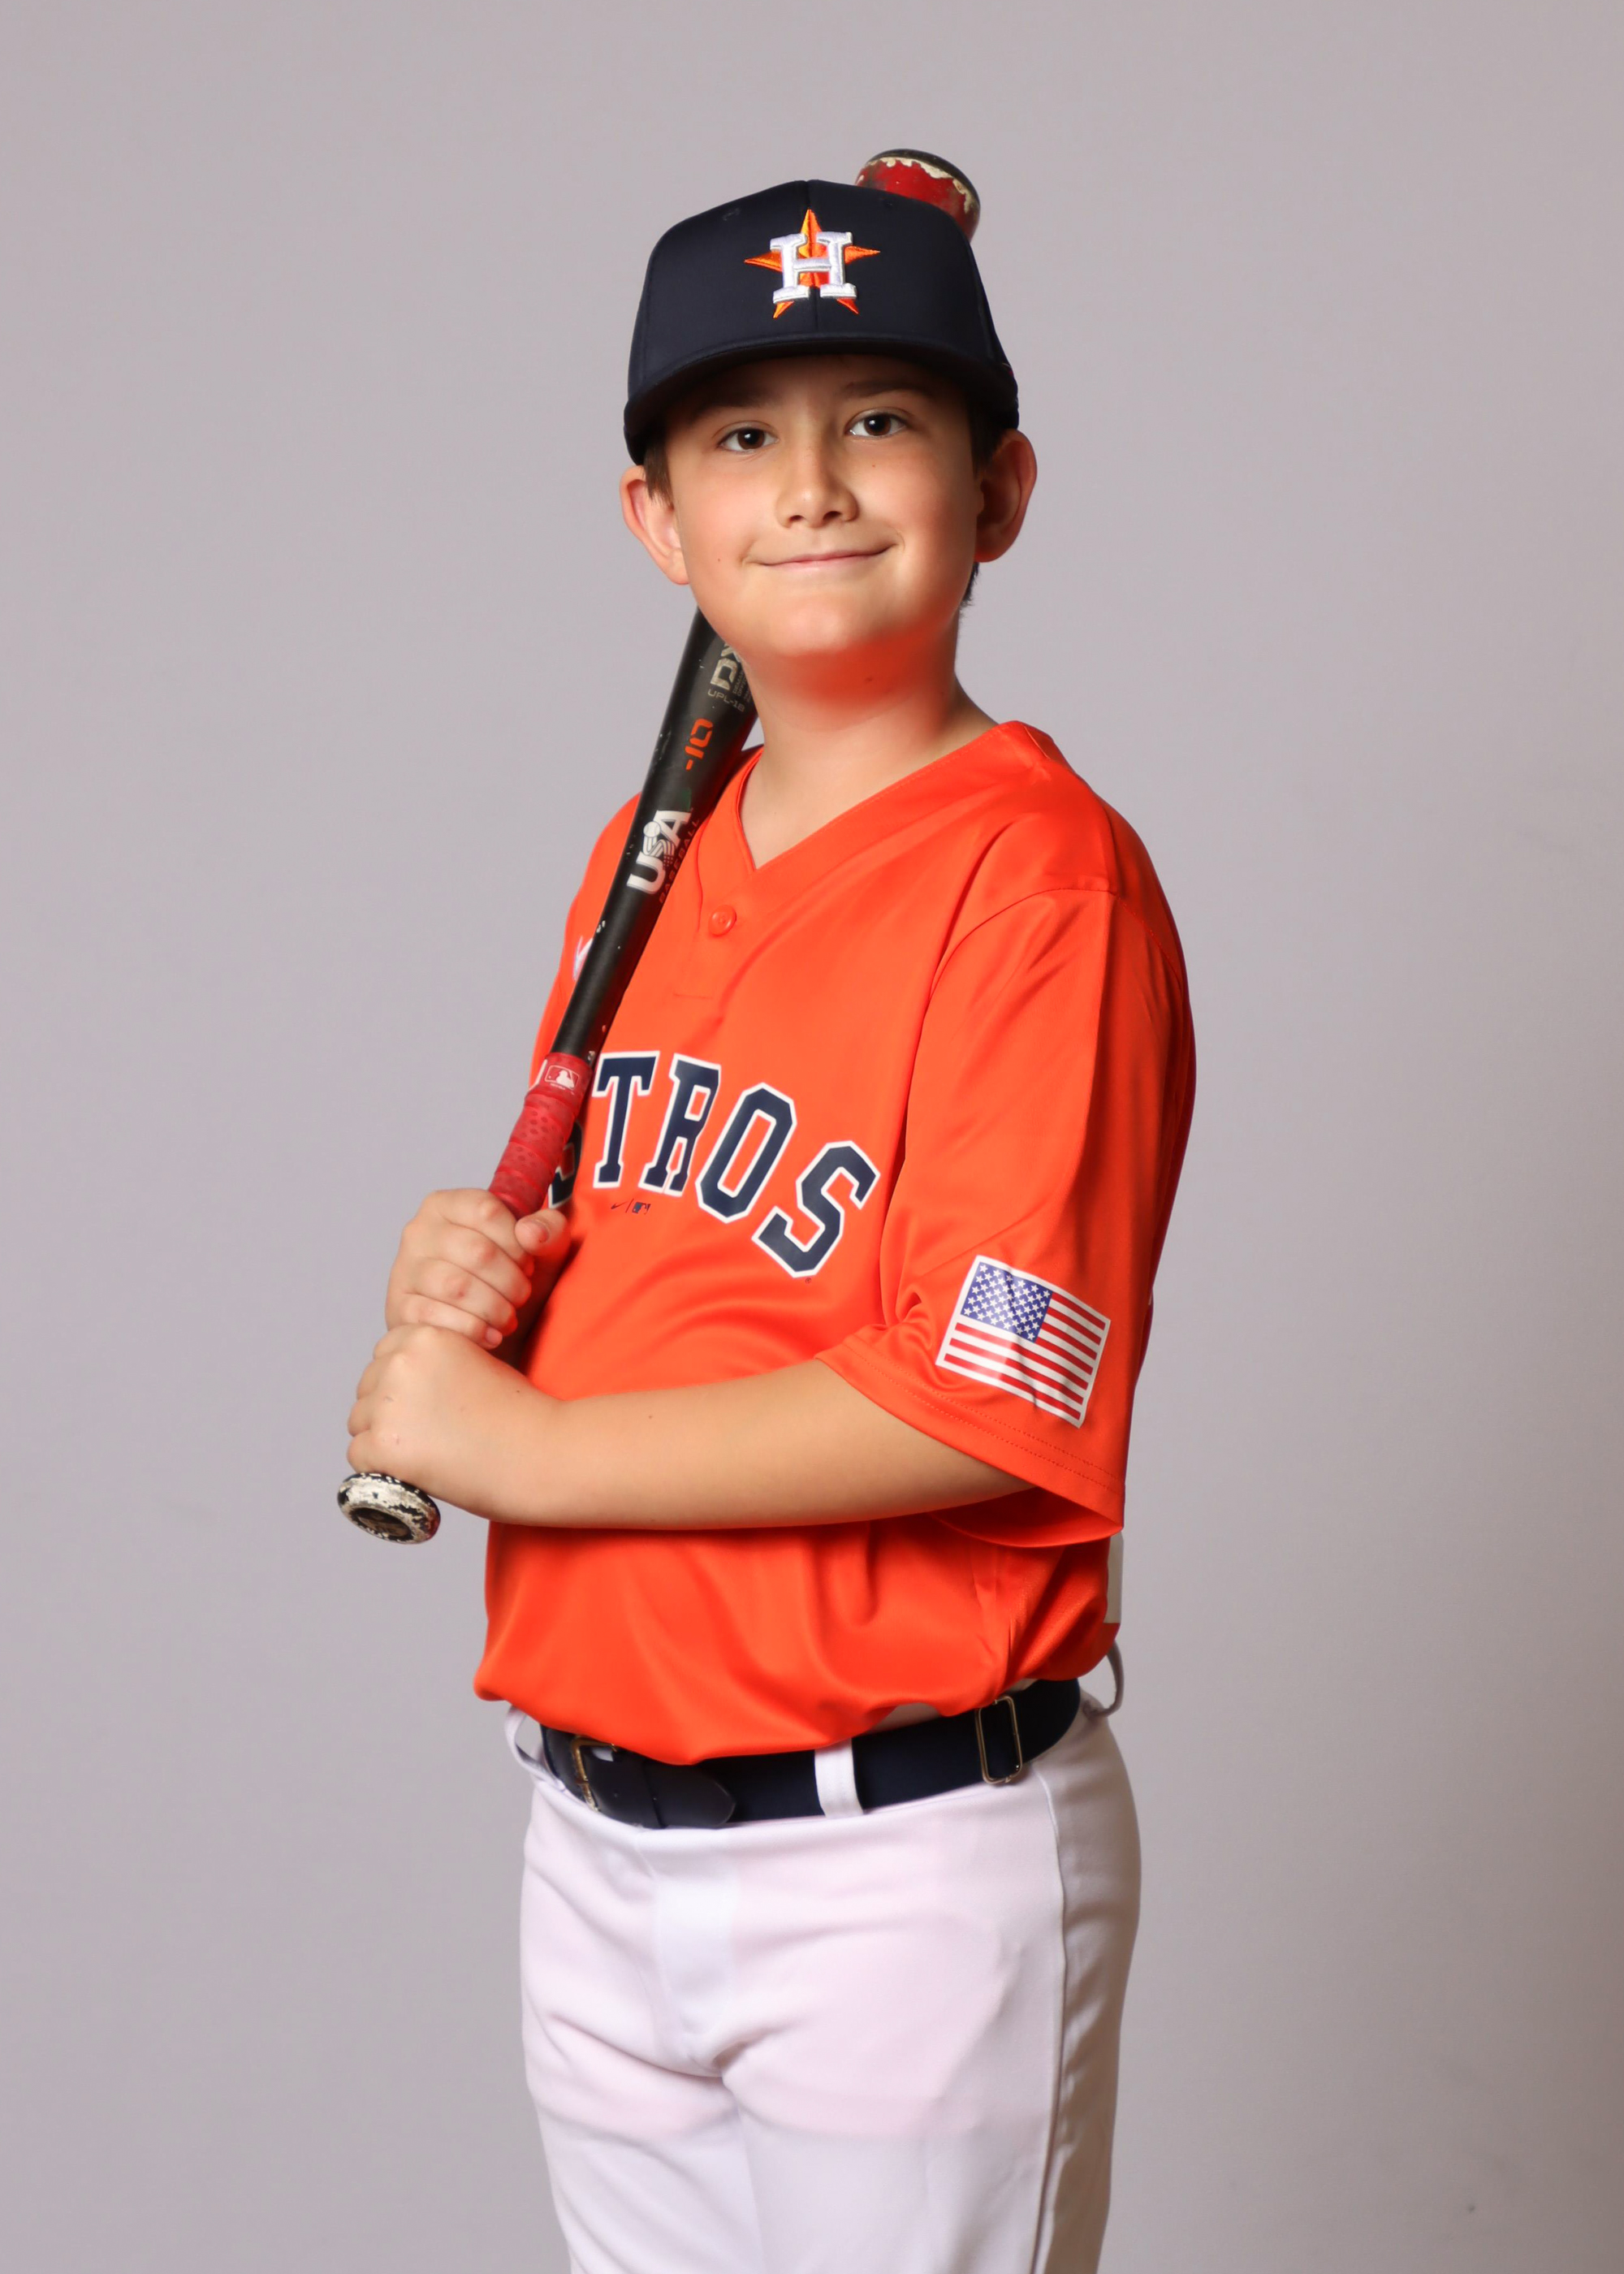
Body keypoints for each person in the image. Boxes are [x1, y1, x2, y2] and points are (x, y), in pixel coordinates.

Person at [347, 171, 1195, 2274]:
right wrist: (487, 1291)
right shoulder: (646, 858)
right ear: (659, 521)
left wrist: (521, 1445)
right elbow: (685, 1270)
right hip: (593, 1829)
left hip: (897, 1865)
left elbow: (984, 1400)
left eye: (878, 419)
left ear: (999, 495)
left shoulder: (1040, 882)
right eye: (742, 435)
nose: (810, 482)